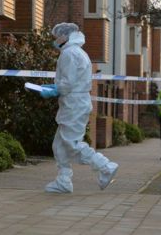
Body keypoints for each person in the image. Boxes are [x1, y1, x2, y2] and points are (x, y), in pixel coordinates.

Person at [38, 22, 119, 193]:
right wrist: (55, 88)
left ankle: (105, 166)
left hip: (73, 104)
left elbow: (67, 83)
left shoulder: (69, 53)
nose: (55, 39)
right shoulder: (79, 52)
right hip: (76, 102)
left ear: (65, 36)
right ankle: (63, 180)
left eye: (57, 36)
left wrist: (53, 90)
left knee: (72, 143)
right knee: (59, 144)